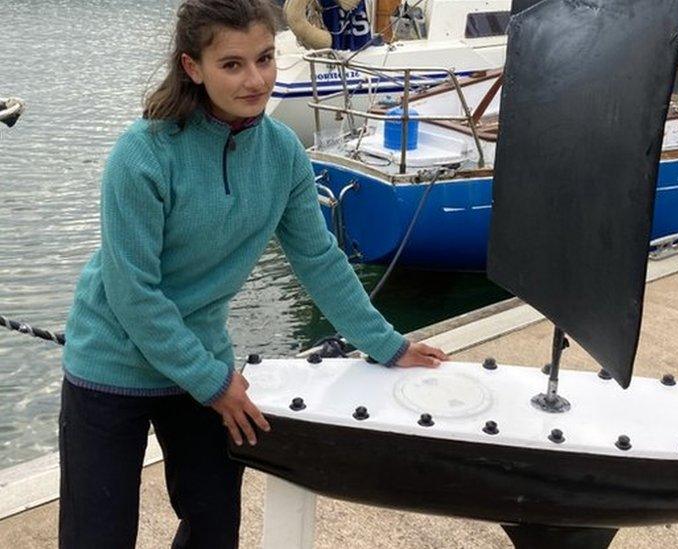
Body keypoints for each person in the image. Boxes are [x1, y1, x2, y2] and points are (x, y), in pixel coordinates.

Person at [57, 1, 447, 547]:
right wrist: (215, 383)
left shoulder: (283, 152)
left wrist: (386, 345)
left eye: (265, 58)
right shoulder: (141, 156)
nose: (256, 79)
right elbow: (133, 293)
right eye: (233, 64)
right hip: (111, 365)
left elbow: (319, 259)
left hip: (200, 363)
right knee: (96, 536)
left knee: (215, 527)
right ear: (194, 67)